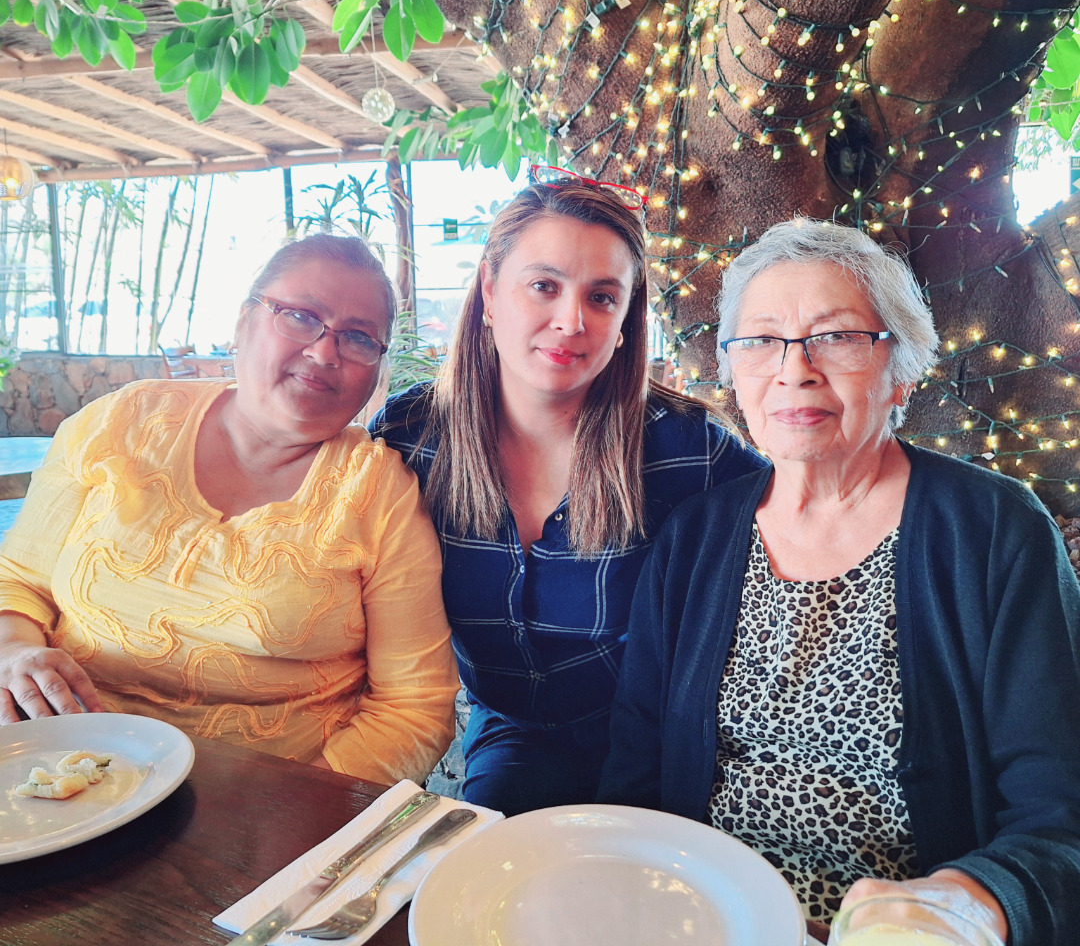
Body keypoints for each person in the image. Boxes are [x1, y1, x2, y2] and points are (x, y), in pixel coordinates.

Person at [598, 219, 1080, 945]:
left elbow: (1059, 811)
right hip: (706, 917)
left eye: (837, 336)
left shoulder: (994, 532)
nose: (794, 369)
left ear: (901, 369)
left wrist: (968, 903)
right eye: (761, 340)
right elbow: (635, 770)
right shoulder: (695, 537)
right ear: (733, 373)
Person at [370, 165, 765, 814]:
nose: (571, 320)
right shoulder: (408, 437)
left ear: (626, 318)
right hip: (511, 728)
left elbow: (808, 519)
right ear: (490, 292)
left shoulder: (687, 447)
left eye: (602, 297)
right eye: (543, 286)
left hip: (655, 732)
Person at [0, 234, 458, 787]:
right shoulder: (120, 423)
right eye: (300, 316)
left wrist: (293, 810)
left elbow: (413, 707)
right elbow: (18, 581)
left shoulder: (380, 494)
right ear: (244, 321)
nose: (324, 352)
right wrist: (13, 650)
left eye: (359, 337)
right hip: (58, 773)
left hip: (272, 799)